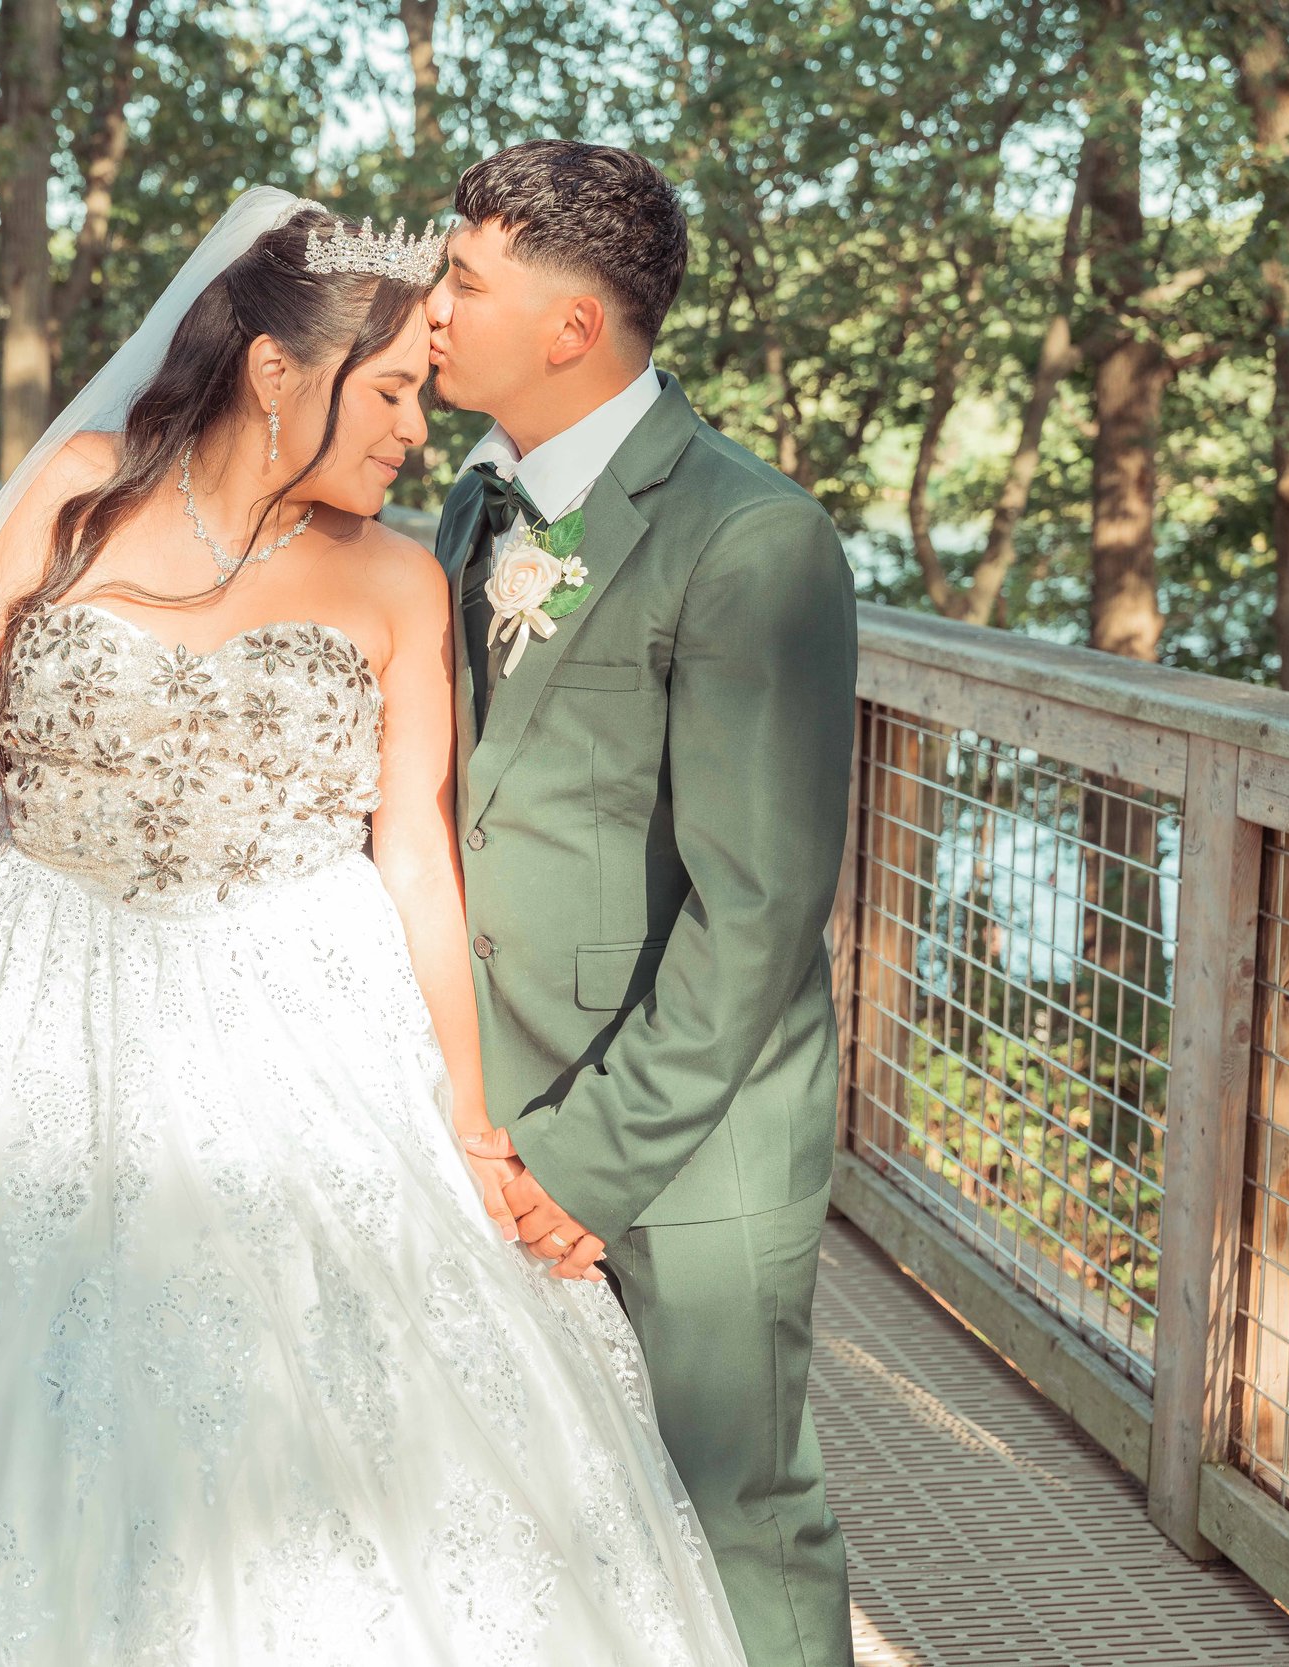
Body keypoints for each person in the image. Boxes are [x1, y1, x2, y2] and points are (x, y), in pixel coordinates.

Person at [0, 189, 748, 1666]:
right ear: (278, 372)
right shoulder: (80, 495)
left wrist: (469, 1116)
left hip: (293, 1012)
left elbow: (415, 850)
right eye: (398, 390)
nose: (418, 431)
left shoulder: (397, 579)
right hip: (28, 995)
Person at [431, 141, 860, 1667]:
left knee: (734, 1507)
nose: (431, 309)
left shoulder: (753, 539)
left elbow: (756, 915)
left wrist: (589, 1160)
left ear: (570, 330)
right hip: (488, 1109)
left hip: (688, 1134)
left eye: (464, 280)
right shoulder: (473, 511)